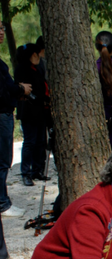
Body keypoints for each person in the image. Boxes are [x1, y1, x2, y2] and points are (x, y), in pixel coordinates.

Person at [0, 21, 31, 218]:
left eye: (3, 28)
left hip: (5, 111)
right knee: (3, 161)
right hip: (1, 115)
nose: (2, 32)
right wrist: (20, 89)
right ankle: (2, 203)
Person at [15, 43, 50, 187]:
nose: (38, 57)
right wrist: (38, 99)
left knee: (41, 141)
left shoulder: (38, 68)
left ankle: (37, 170)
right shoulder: (21, 70)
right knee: (30, 142)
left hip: (41, 111)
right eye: (35, 54)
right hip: (28, 111)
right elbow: (24, 91)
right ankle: (26, 173)